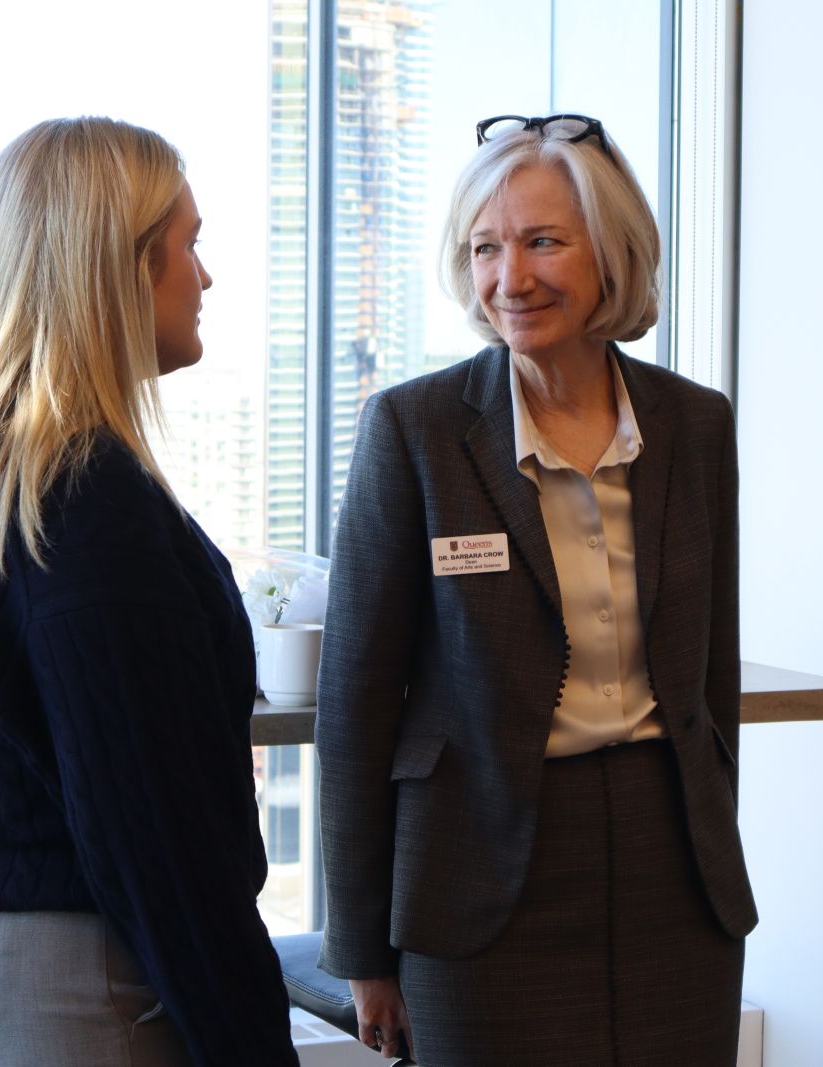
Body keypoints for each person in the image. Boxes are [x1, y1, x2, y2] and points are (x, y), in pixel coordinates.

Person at [315, 113, 759, 1066]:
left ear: (613, 252)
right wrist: (361, 951)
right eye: (485, 248)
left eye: (543, 242)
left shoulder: (695, 424)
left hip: (674, 869)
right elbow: (354, 701)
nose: (509, 279)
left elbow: (711, 675)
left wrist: (715, 834)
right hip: (475, 879)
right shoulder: (415, 430)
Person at [0, 117, 298, 1067]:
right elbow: (154, 830)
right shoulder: (83, 495)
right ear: (125, 267)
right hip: (70, 979)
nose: (206, 277)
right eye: (190, 244)